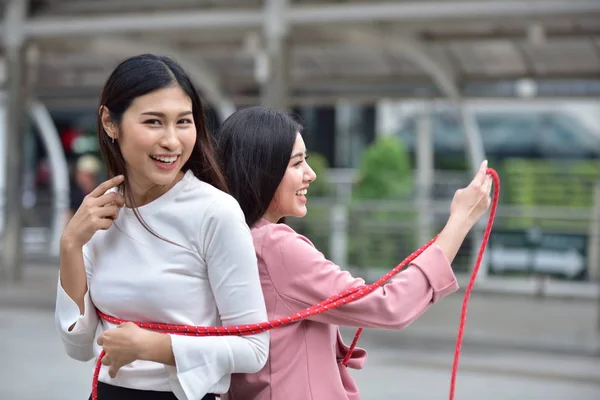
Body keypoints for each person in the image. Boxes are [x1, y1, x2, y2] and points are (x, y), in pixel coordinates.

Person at [215, 106, 493, 400]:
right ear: (263, 170)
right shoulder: (276, 248)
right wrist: (460, 222)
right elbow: (391, 305)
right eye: (296, 164)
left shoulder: (232, 239)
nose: (310, 174)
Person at [54, 55, 269, 400]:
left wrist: (155, 347)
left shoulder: (215, 213)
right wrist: (70, 245)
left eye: (183, 122)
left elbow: (254, 348)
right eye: (154, 122)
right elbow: (78, 346)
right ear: (110, 122)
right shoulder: (99, 211)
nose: (172, 141)